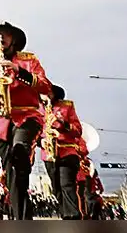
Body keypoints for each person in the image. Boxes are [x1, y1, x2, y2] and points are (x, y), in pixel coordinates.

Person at [0, 22, 50, 220]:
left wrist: (18, 71)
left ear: (13, 38)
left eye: (5, 34)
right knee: (12, 174)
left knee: (19, 152)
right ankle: (21, 218)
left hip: (27, 117)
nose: (0, 38)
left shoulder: (29, 60)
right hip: (2, 121)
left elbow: (45, 85)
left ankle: (22, 153)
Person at [44, 84, 84, 219]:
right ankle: (65, 215)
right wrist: (40, 141)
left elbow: (78, 130)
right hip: (49, 154)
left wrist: (62, 123)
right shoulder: (39, 109)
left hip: (67, 151)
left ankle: (73, 217)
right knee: (56, 188)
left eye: (48, 92)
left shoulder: (67, 107)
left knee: (66, 185)